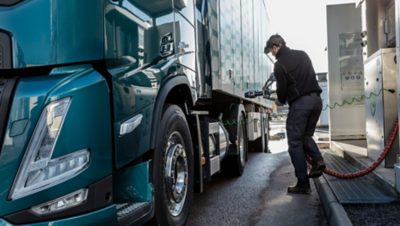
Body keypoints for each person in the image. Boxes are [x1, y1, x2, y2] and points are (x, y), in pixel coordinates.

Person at [264, 34, 326, 194]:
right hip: (316, 102)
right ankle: (318, 160)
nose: (272, 54)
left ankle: (303, 184)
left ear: (276, 46)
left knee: (294, 144)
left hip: (301, 105)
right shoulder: (302, 54)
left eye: (271, 50)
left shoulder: (279, 65)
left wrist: (279, 100)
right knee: (305, 136)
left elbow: (282, 93)